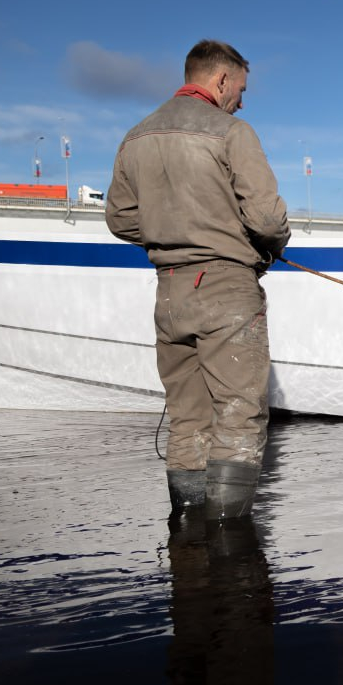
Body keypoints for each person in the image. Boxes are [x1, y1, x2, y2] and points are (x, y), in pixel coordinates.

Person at [107, 40, 290, 520]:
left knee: (187, 416)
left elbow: (120, 219)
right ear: (221, 80)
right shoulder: (232, 132)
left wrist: (173, 233)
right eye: (241, 89)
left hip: (169, 293)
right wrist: (264, 247)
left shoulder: (136, 136)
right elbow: (268, 219)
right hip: (226, 288)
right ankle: (230, 546)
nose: (242, 100)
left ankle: (186, 535)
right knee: (238, 411)